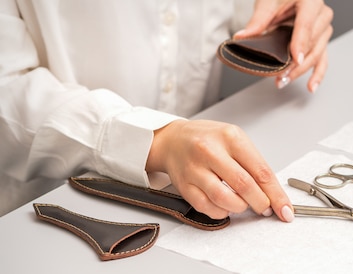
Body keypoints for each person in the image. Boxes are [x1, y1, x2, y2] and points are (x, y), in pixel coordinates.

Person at [0, 0, 334, 219]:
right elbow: (7, 86)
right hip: (44, 205)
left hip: (202, 183)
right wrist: (156, 140)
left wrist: (286, 14)